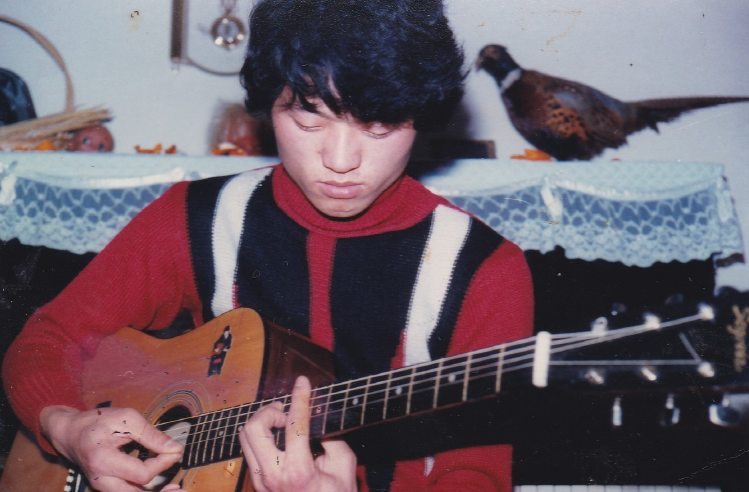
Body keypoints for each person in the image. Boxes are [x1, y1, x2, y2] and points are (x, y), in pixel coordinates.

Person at [2, 0, 534, 491]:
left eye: (379, 124)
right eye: (308, 117)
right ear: (269, 104)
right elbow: (47, 338)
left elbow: (479, 474)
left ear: (420, 115)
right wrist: (67, 427)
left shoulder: (484, 269)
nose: (341, 160)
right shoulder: (198, 218)